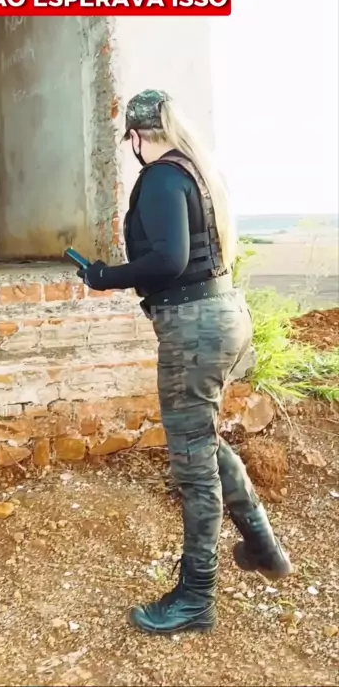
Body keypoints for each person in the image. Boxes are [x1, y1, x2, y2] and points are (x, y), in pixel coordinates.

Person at [76, 89, 292, 636]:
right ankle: (263, 546)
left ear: (135, 137)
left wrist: (104, 276)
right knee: (202, 440)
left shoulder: (160, 178)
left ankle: (196, 598)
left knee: (193, 467)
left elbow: (168, 260)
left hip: (194, 328)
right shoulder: (198, 172)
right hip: (223, 314)